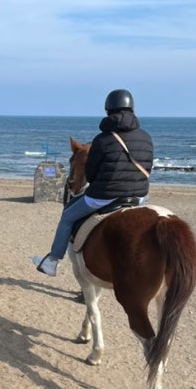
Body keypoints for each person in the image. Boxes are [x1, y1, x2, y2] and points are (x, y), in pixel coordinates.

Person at [32, 89, 154, 276]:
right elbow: (148, 167)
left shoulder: (103, 139)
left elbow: (91, 173)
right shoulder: (146, 137)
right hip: (139, 196)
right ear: (132, 109)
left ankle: (52, 261)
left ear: (108, 111)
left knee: (67, 216)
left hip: (104, 196)